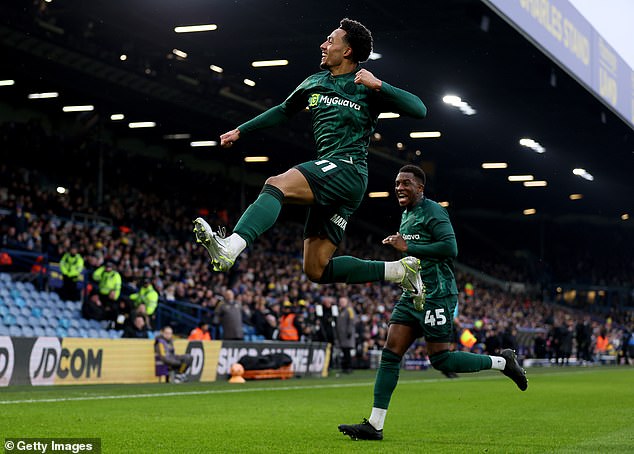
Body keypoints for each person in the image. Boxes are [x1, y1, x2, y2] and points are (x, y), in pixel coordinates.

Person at [193, 18, 425, 307]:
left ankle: (232, 246)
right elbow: (283, 110)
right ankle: (399, 271)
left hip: (348, 168)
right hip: (334, 176)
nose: (323, 45)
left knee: (276, 184)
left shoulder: (365, 87)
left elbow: (420, 109)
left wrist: (379, 85)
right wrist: (241, 130)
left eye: (330, 41)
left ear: (348, 51)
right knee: (316, 269)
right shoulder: (314, 82)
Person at [338, 165, 528, 441]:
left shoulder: (435, 211)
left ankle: (503, 362)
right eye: (397, 184)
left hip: (438, 293)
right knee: (390, 352)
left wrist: (408, 248)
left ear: (420, 188)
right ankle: (375, 424)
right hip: (412, 294)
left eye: (406, 183)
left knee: (441, 359)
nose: (399, 188)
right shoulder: (406, 215)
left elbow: (451, 250)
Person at [336, 296, 356, 373]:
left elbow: (351, 321)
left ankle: (349, 367)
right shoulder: (340, 310)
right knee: (344, 352)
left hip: (347, 335)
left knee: (347, 352)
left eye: (343, 302)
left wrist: (349, 332)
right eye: (340, 302)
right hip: (341, 336)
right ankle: (344, 367)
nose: (341, 303)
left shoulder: (349, 310)